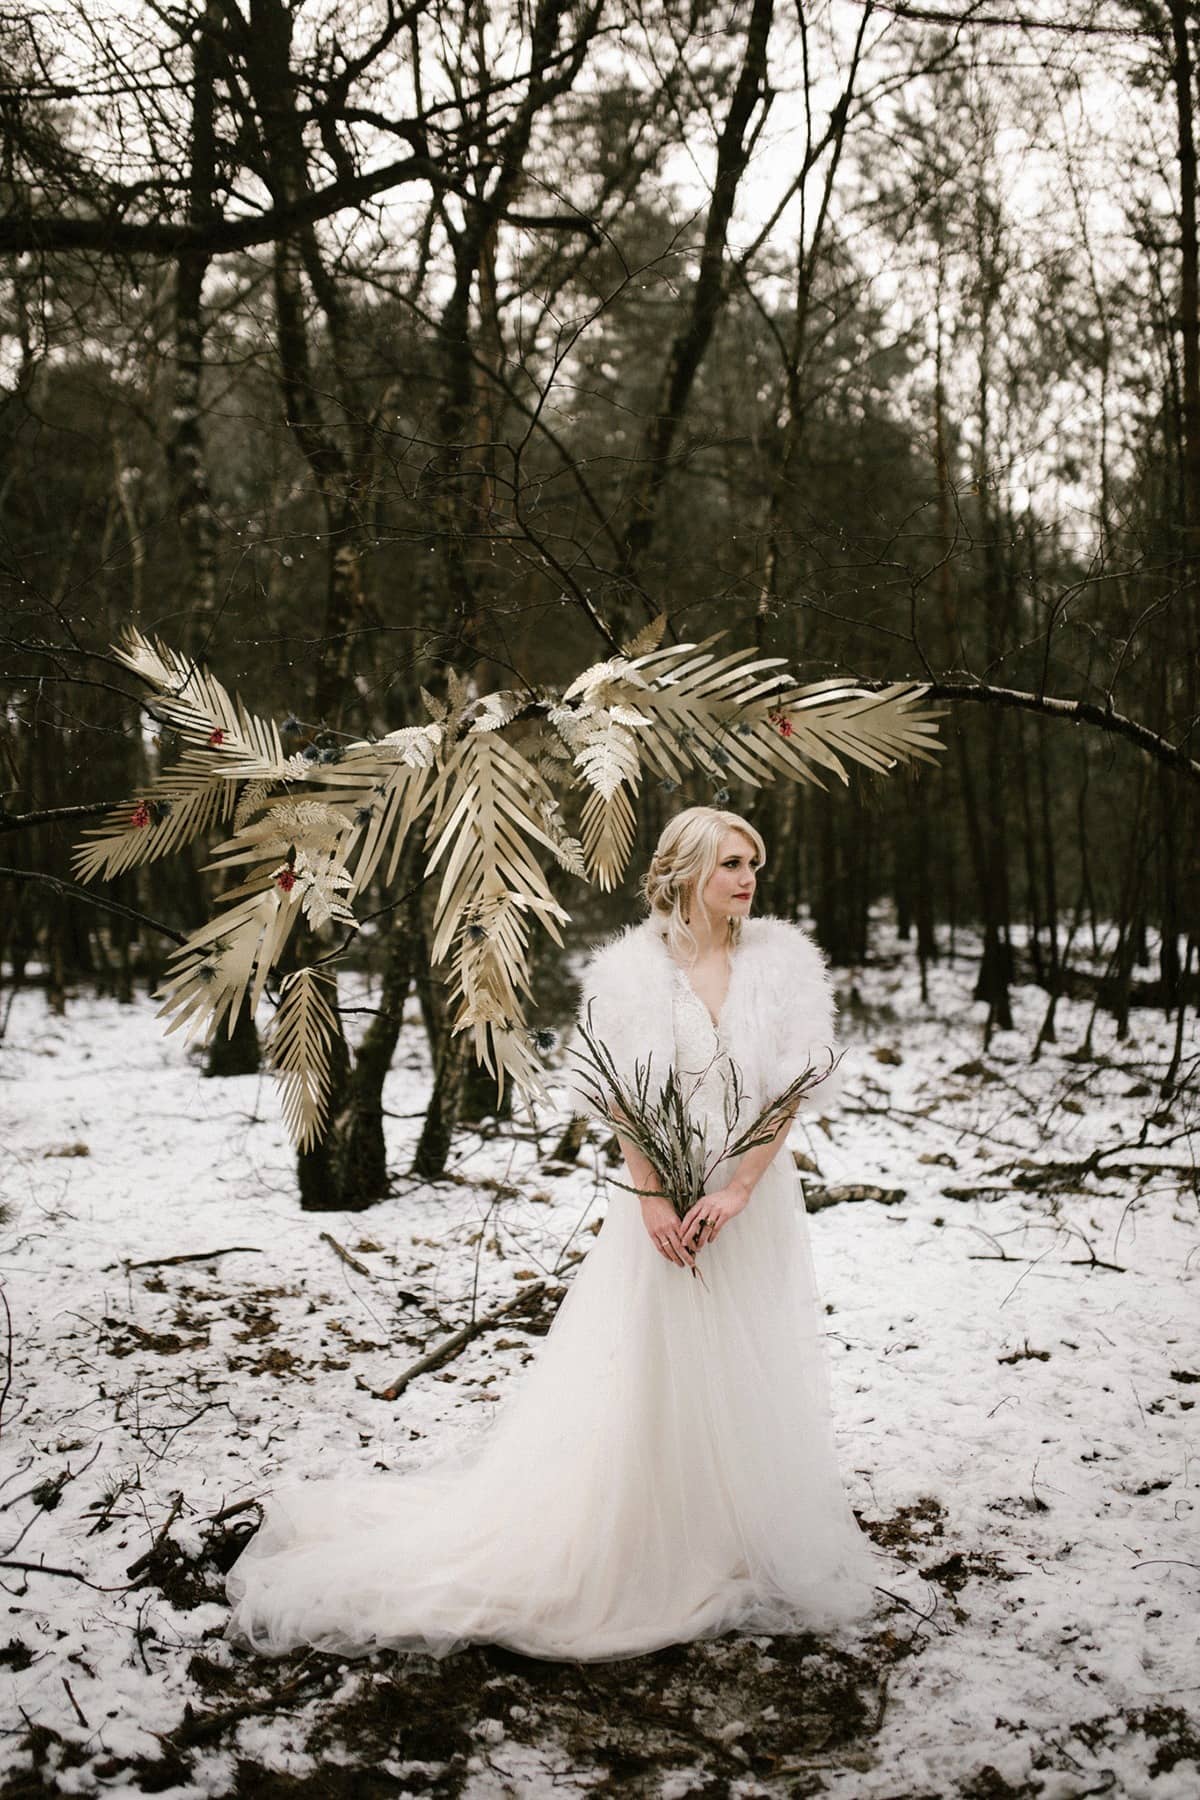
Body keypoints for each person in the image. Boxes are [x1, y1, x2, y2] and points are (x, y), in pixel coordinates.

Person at [225, 805, 881, 1660]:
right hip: (660, 1198)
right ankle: (652, 1531)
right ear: (684, 872)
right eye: (729, 862)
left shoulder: (782, 960)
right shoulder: (629, 973)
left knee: (747, 1354)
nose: (747, 878)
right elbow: (618, 1099)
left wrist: (737, 1192)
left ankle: (735, 1530)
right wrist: (653, 1199)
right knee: (660, 1359)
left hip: (749, 1198)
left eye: (753, 860)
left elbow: (794, 1087)